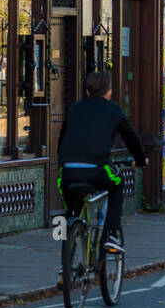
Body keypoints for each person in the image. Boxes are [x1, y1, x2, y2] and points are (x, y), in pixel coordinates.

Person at [57, 70, 150, 256]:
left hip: (67, 171)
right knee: (117, 184)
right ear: (109, 91)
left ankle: (66, 235)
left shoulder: (74, 108)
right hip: (97, 169)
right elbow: (131, 138)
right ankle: (112, 234)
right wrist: (140, 160)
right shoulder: (114, 110)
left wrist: (63, 163)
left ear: (87, 91)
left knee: (71, 206)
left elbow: (62, 139)